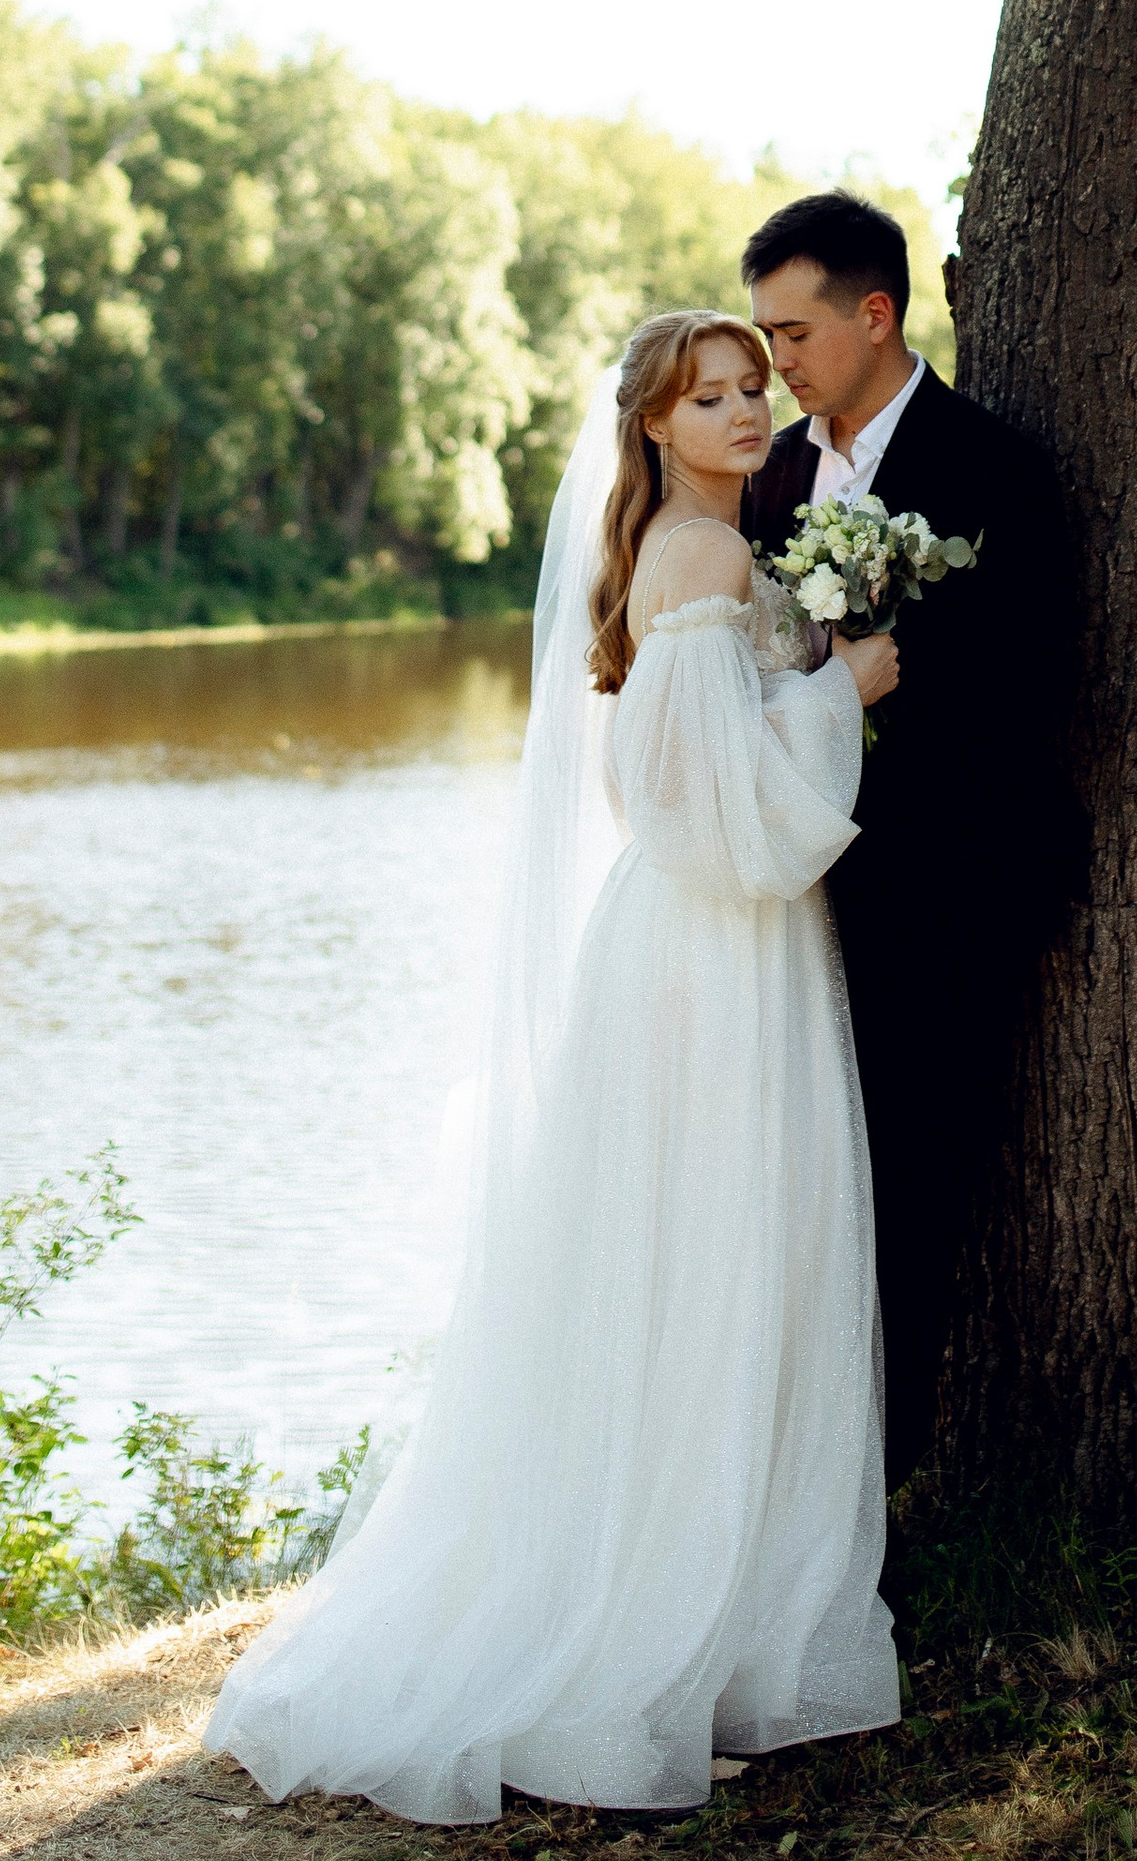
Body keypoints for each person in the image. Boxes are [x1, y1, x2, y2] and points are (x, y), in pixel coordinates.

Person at [203, 310, 905, 1823]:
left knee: (695, 1263)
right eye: (705, 398)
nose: (738, 412)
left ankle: (714, 1615)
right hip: (716, 951)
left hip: (703, 945)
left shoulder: (698, 551)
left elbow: (665, 764)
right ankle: (665, 1636)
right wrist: (845, 689)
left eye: (747, 390)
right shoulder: (702, 564)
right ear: (652, 425)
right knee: (718, 1260)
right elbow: (690, 799)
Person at [743, 188, 1076, 1495]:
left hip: (945, 897)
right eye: (767, 337)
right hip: (788, 897)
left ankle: (881, 1504)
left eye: (795, 333)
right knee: (793, 1198)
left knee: (910, 1199)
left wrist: (890, 682)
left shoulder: (993, 468)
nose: (778, 363)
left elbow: (1027, 673)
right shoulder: (763, 478)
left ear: (875, 315)